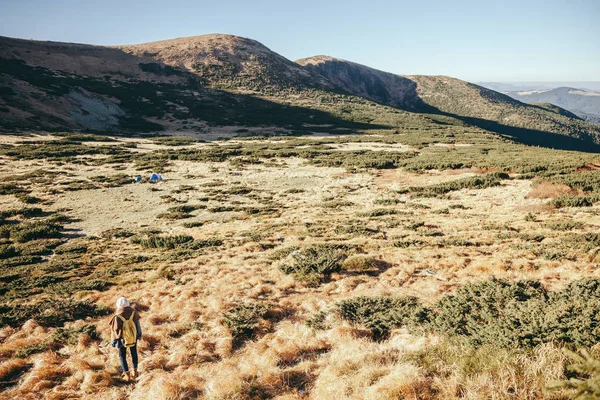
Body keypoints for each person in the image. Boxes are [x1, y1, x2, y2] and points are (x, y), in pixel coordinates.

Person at [109, 297, 142, 381]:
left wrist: (114, 341)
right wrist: (139, 335)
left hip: (121, 339)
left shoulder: (117, 316)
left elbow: (114, 330)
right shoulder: (133, 313)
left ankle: (127, 375)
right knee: (134, 353)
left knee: (122, 356)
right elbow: (138, 325)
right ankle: (135, 371)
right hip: (133, 337)